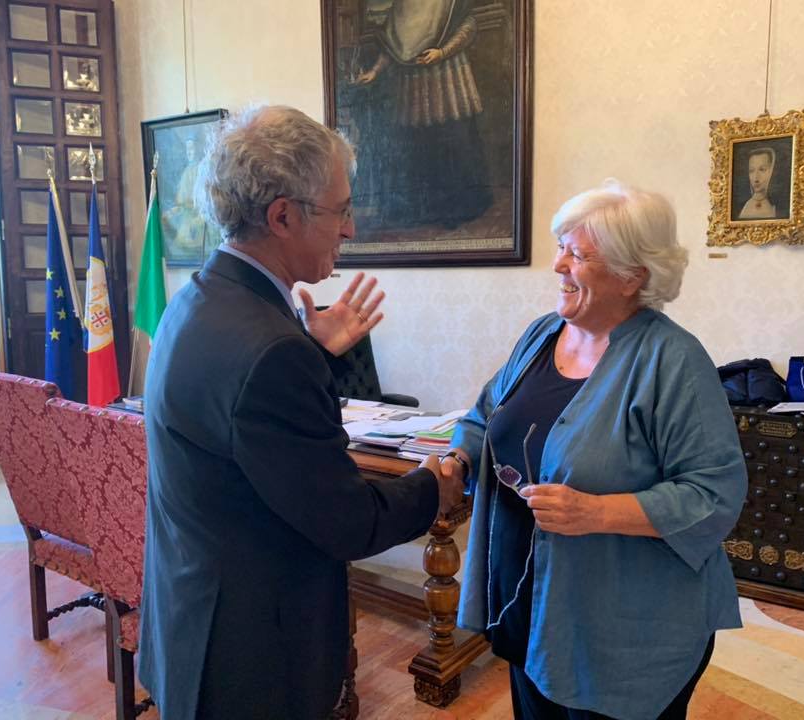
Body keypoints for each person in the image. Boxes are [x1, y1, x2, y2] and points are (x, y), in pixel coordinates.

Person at [139, 105, 464, 720]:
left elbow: (245, 432)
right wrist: (434, 488)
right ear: (283, 216)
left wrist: (313, 351)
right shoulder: (270, 349)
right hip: (252, 657)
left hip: (191, 619)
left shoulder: (199, 299)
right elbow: (348, 523)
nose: (351, 229)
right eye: (341, 210)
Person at [440, 180, 747, 719]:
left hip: (623, 634)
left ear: (633, 276)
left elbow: (714, 495)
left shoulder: (673, 360)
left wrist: (595, 512)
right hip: (528, 600)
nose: (557, 265)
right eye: (561, 247)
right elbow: (486, 412)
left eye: (577, 255)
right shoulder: (542, 334)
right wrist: (457, 459)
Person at [353, 0, 492, 228]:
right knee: (419, 147)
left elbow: (469, 26)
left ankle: (458, 208)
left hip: (446, 79)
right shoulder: (403, 4)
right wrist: (374, 72)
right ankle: (426, 210)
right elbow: (394, 46)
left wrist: (443, 52)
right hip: (413, 85)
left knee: (453, 142)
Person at [737, 146, 777, 219]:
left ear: (772, 171)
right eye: (751, 171)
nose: (756, 178)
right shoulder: (746, 206)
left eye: (762, 169)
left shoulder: (778, 207)